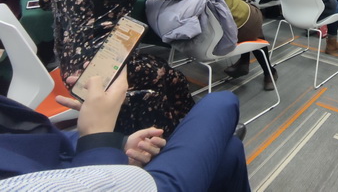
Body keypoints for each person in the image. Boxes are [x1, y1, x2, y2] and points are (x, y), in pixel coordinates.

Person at [39, 0, 217, 136]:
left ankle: (176, 126)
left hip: (70, 68)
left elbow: (44, 1)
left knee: (161, 67)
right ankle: (191, 129)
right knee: (172, 77)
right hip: (102, 66)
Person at [0, 71, 251, 191]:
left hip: (74, 167)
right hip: (101, 181)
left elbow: (28, 141)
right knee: (221, 102)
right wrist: (97, 139)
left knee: (228, 152)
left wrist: (115, 145)